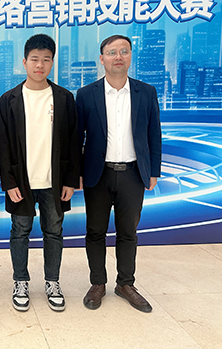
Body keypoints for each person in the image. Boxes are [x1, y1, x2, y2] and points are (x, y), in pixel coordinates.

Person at [76, 34, 162, 313]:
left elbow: (154, 134)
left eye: (124, 51)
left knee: (128, 232)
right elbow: (76, 137)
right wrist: (76, 173)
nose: (118, 57)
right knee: (95, 231)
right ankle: (97, 283)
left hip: (133, 174)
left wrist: (154, 171)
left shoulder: (145, 92)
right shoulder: (86, 94)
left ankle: (125, 284)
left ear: (130, 56)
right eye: (112, 52)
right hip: (97, 174)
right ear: (102, 59)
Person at [0, 34, 80, 312]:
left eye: (46, 59)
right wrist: (9, 183)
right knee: (20, 232)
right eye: (34, 59)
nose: (40, 65)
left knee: (53, 232)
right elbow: (4, 145)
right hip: (21, 181)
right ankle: (20, 281)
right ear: (24, 62)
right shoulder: (9, 99)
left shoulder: (64, 98)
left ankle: (52, 282)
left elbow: (73, 141)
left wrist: (70, 180)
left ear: (52, 63)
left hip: (53, 182)